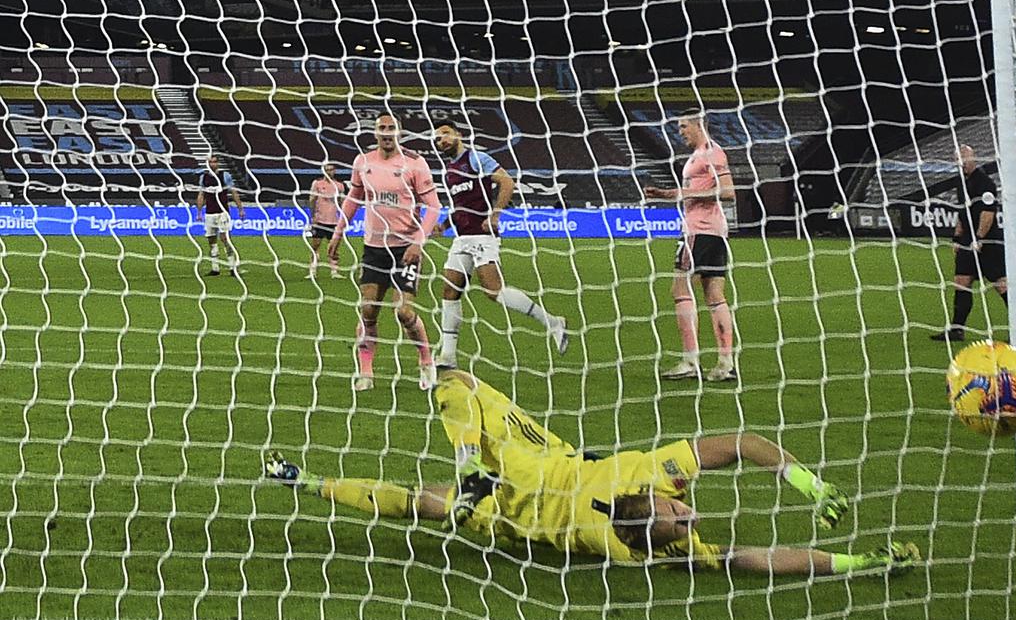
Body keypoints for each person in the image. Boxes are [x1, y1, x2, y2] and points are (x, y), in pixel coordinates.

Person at [264, 371, 916, 577]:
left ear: (642, 514)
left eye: (678, 517)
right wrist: (855, 555)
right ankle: (464, 474)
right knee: (424, 499)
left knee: (448, 398)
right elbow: (753, 538)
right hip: (525, 507)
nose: (689, 514)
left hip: (526, 481)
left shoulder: (642, 486)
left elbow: (752, 535)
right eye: (680, 512)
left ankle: (307, 480)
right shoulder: (652, 537)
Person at [431, 120, 567, 370]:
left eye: (446, 134)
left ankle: (553, 322)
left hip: (483, 238)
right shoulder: (449, 171)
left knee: (494, 292)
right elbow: (462, 206)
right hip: (462, 239)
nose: (442, 141)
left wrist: (495, 214)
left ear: (458, 134)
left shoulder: (476, 158)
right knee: (450, 291)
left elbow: (507, 182)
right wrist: (443, 224)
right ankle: (448, 356)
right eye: (438, 139)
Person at [328, 114, 443, 392]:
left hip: (405, 249)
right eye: (382, 128)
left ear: (399, 133)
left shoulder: (415, 163)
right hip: (374, 248)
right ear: (375, 133)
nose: (387, 133)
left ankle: (426, 361)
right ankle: (366, 372)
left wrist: (418, 242)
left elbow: (435, 207)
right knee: (368, 310)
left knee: (403, 312)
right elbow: (354, 198)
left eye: (392, 128)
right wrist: (338, 232)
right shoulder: (362, 162)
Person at [644, 110, 738, 382]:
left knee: (680, 288)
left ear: (699, 125)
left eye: (684, 126)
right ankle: (724, 364)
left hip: (698, 231)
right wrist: (668, 194)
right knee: (714, 295)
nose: (680, 132)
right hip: (716, 232)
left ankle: (690, 361)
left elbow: (728, 192)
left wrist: (680, 193)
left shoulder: (711, 153)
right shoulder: (702, 155)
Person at [932, 145, 1008, 342]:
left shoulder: (985, 183)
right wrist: (958, 239)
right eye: (958, 159)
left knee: (1001, 284)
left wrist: (980, 238)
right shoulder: (961, 183)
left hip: (988, 241)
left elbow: (987, 213)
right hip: (968, 240)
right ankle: (957, 330)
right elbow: (962, 213)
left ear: (974, 158)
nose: (962, 163)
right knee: (961, 282)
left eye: (965, 159)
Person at [195, 155, 245, 277]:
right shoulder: (204, 178)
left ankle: (232, 267)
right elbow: (201, 195)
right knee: (211, 240)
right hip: (209, 214)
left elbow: (234, 192)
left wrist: (240, 209)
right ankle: (215, 268)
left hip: (223, 213)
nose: (213, 164)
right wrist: (199, 212)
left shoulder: (225, 176)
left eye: (215, 162)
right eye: (210, 162)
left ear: (218, 163)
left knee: (225, 239)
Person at [305, 163, 346, 279]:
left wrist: (343, 217)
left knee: (333, 247)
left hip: (333, 221)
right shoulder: (317, 184)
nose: (329, 172)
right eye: (327, 170)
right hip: (320, 220)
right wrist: (312, 216)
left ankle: (334, 271)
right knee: (315, 245)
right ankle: (312, 271)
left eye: (331, 170)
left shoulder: (339, 185)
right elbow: (312, 200)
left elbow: (342, 202)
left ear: (335, 171)